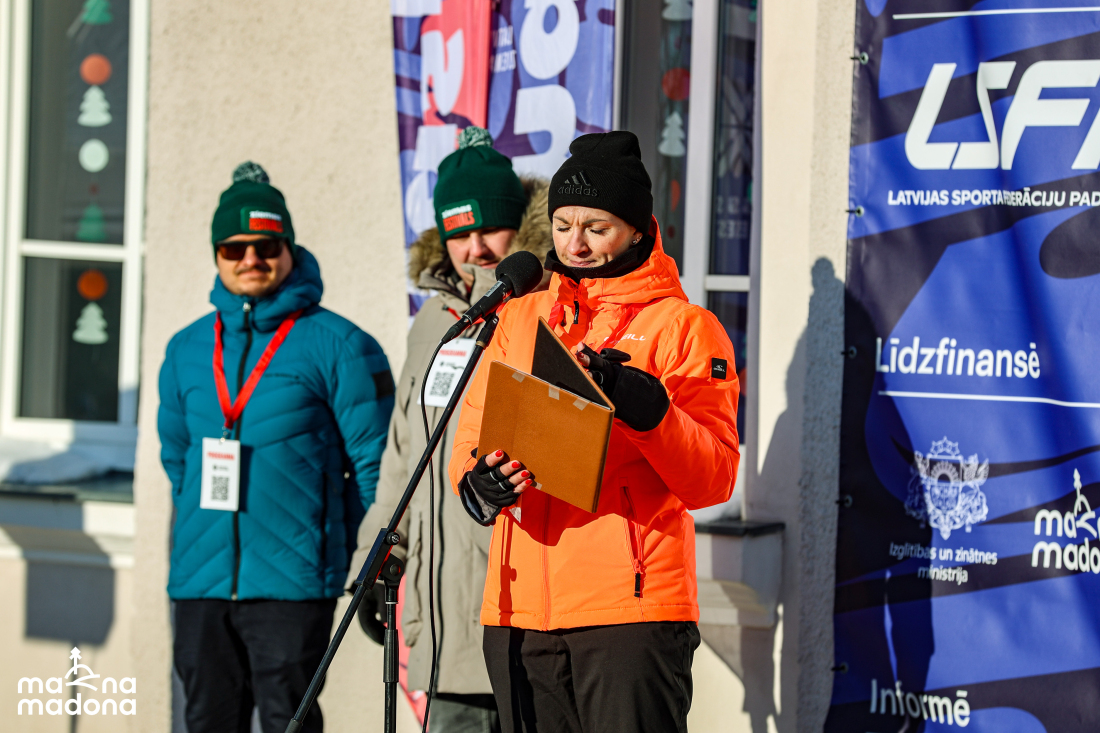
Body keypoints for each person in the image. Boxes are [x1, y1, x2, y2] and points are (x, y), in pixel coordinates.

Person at [446, 132, 741, 733]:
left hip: (629, 611)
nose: (573, 244)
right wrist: (479, 481)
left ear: (636, 229)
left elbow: (713, 479)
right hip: (518, 611)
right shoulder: (518, 314)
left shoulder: (684, 327)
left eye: (596, 228)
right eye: (562, 225)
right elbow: (469, 436)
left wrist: (649, 413)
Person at [158, 162, 395, 733]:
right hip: (200, 582)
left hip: (294, 583)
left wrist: (355, 559)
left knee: (289, 723)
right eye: (233, 248)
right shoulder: (186, 348)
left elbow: (376, 471)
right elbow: (177, 459)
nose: (250, 259)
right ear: (216, 255)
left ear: (288, 248)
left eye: (265, 246)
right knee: (206, 721)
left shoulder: (342, 345)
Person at [348, 126, 552, 733]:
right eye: (459, 233)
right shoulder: (432, 322)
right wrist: (379, 553)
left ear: (521, 226)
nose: (475, 249)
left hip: (521, 618)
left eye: (490, 229)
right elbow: (402, 458)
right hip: (440, 628)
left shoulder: (546, 309)